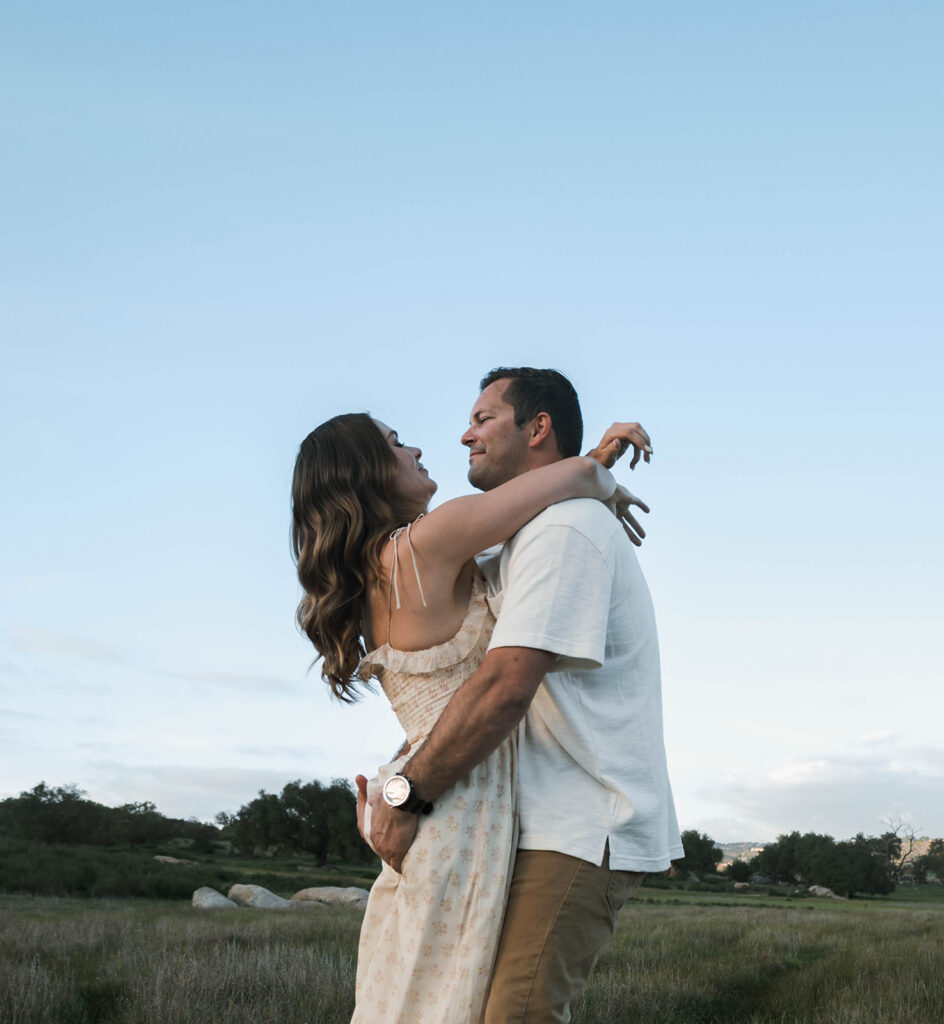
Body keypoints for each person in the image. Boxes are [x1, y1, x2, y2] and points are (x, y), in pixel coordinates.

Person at [291, 406, 650, 1024]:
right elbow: (576, 483)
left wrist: (592, 465)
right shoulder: (430, 541)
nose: (418, 451)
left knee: (416, 996)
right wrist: (601, 477)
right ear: (367, 471)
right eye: (396, 444)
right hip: (459, 804)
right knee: (448, 1005)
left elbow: (542, 503)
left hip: (429, 796)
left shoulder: (384, 569)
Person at [364, 368, 683, 1024]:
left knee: (514, 1016)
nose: (463, 434)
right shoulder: (524, 534)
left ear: (537, 429)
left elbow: (505, 685)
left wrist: (405, 796)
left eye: (484, 419)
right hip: (526, 819)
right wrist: (593, 467)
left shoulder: (564, 530)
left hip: (584, 817)